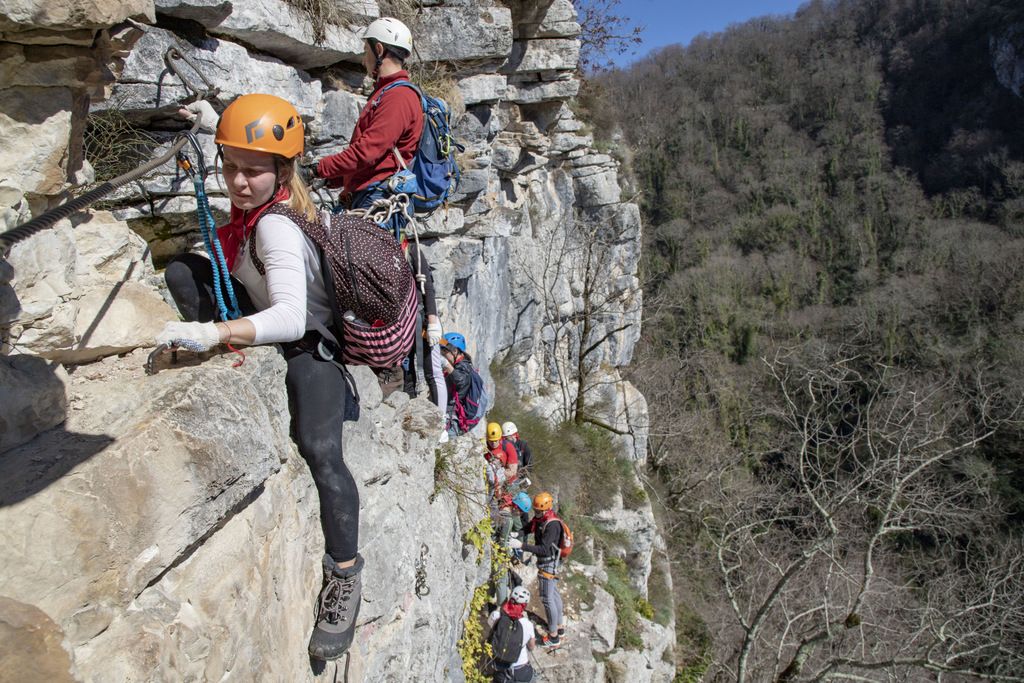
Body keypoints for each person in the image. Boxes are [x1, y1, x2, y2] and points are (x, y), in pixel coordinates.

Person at [156, 94, 364, 661]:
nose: (238, 182)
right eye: (230, 168)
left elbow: (294, 317)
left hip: (309, 345)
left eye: (251, 171)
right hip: (263, 314)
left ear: (280, 173)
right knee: (181, 271)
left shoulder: (275, 228)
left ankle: (345, 573)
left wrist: (218, 334)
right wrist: (211, 122)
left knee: (321, 449)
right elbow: (252, 132)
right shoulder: (252, 212)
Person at [312, 16, 422, 235]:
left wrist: (317, 169)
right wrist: (330, 179)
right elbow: (372, 157)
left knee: (362, 267)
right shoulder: (386, 93)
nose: (364, 60)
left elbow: (367, 152)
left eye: (366, 51)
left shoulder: (399, 97)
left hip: (377, 201)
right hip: (368, 198)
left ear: (379, 49)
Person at [509, 492, 565, 647]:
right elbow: (529, 527)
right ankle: (559, 627)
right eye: (536, 511)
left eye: (539, 511)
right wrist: (517, 534)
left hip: (549, 563)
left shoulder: (552, 525)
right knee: (553, 594)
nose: (537, 513)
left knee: (547, 598)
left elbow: (544, 549)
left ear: (546, 510)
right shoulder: (541, 519)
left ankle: (553, 636)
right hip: (550, 562)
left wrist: (522, 546)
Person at [487, 585, 536, 682]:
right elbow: (531, 647)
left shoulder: (496, 615)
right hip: (521, 671)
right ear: (525, 605)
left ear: (510, 598)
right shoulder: (528, 624)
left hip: (501, 671)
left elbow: (491, 632)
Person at [441, 332, 483, 436]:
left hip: (452, 420)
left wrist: (446, 365)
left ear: (455, 351)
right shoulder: (463, 364)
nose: (442, 354)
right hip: (452, 417)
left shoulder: (463, 367)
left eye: (445, 351)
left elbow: (461, 381)